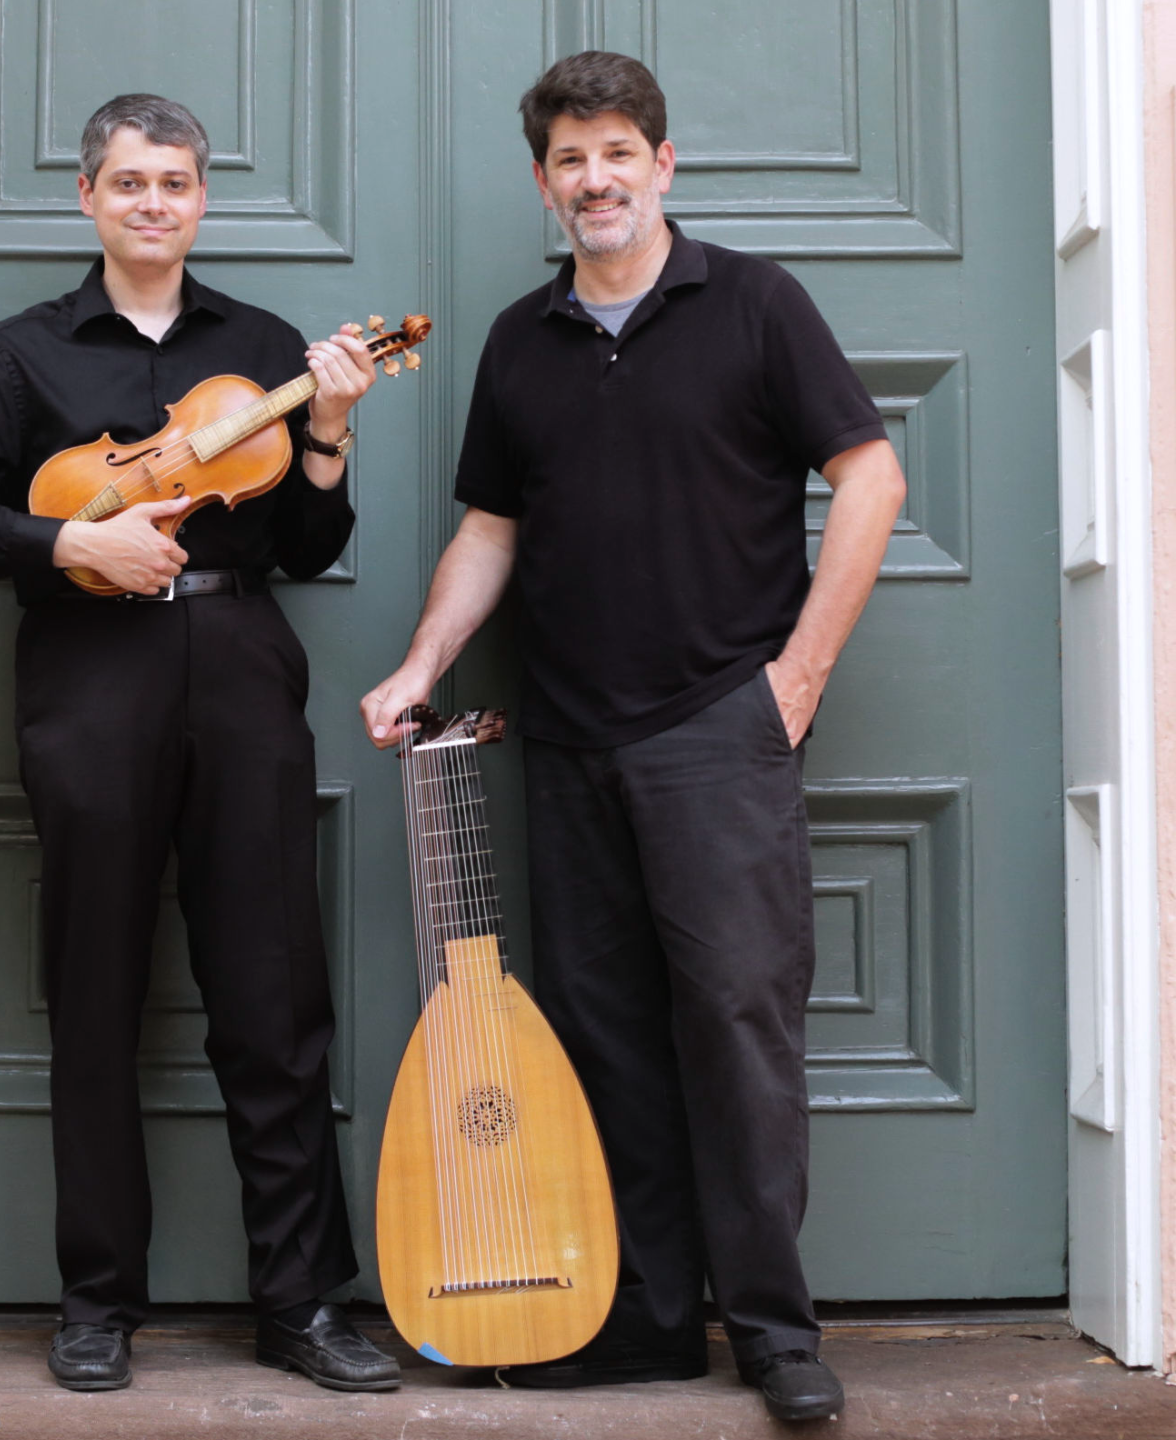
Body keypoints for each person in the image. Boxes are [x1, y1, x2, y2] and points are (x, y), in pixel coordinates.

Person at [361, 52, 906, 1423]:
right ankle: (649, 1320)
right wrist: (424, 659)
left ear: (663, 165)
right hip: (567, 740)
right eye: (568, 158)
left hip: (718, 731)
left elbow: (871, 475)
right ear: (540, 182)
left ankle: (775, 1333)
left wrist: (794, 683)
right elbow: (492, 525)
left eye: (618, 152)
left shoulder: (756, 305)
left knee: (736, 1030)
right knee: (606, 1037)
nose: (594, 179)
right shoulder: (515, 339)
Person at [0, 93, 400, 1396]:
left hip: (237, 669)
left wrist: (330, 435)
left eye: (175, 182)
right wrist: (69, 542)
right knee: (98, 993)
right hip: (90, 677)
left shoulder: (267, 346)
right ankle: (97, 1302)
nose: (155, 202)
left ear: (201, 199)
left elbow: (306, 549)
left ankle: (300, 1304)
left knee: (276, 1002)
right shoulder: (19, 356)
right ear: (89, 199)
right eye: (130, 183)